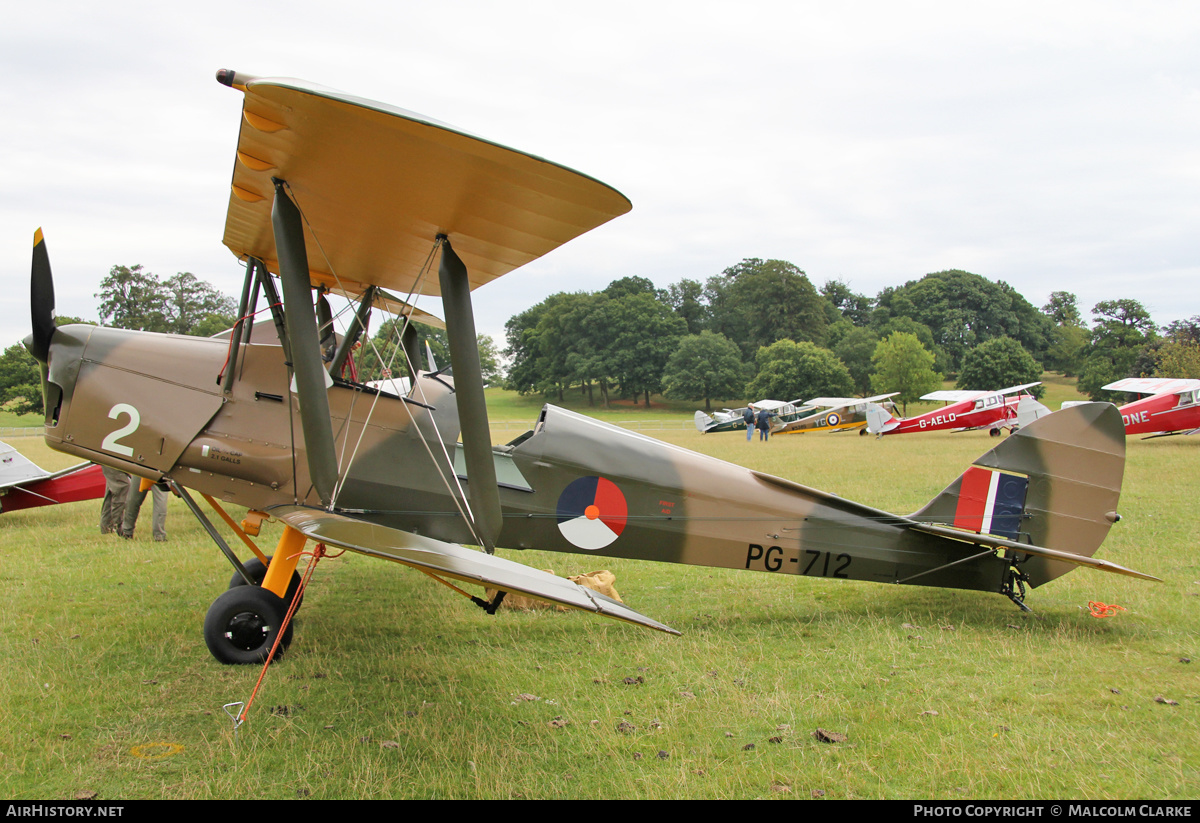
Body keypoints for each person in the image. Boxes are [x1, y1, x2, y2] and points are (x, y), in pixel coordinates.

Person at [99, 466, 130, 535]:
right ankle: (119, 528)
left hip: (111, 458)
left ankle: (107, 527)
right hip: (113, 458)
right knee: (121, 486)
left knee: (114, 488)